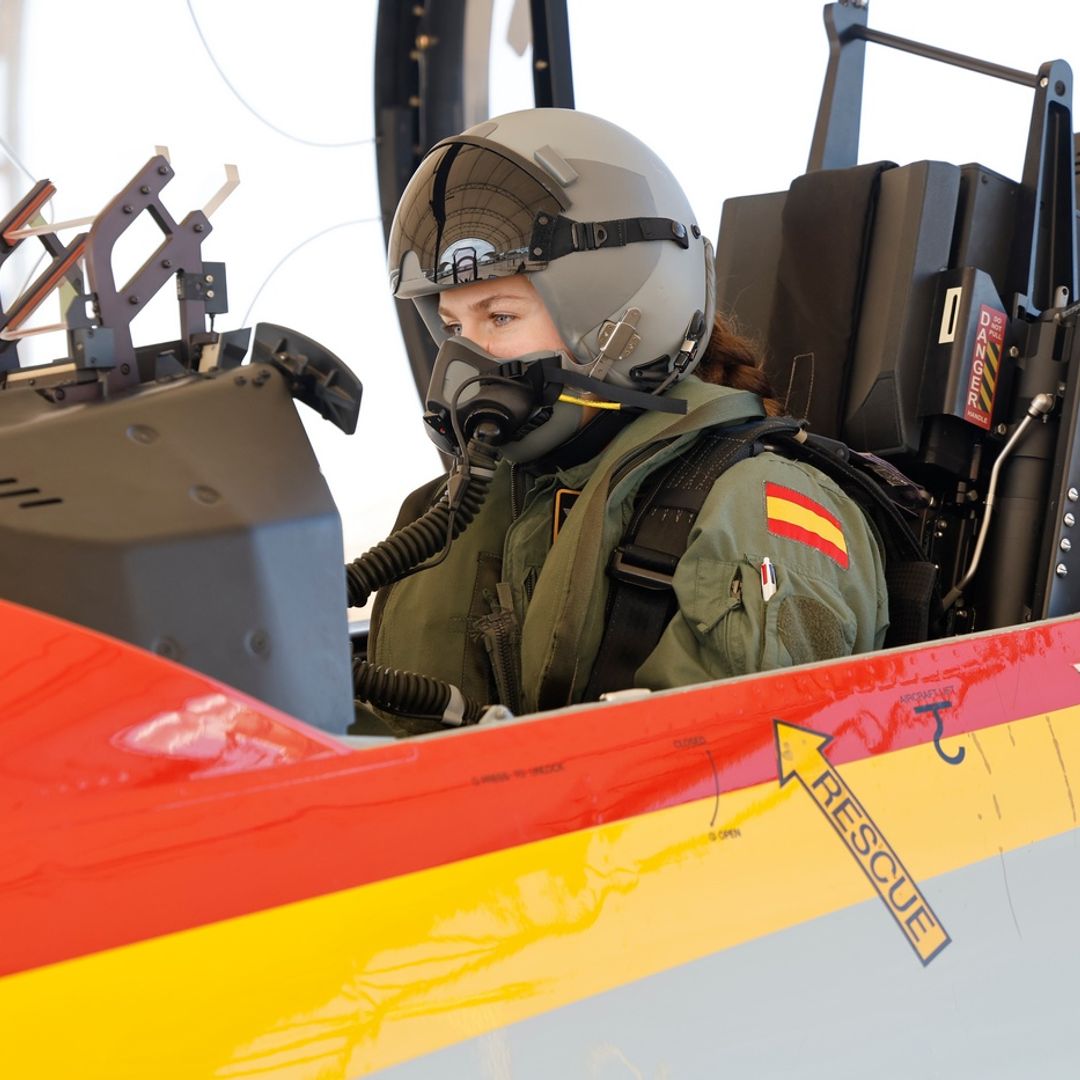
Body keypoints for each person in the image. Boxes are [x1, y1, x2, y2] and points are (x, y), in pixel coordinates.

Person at [364, 108, 888, 735]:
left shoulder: (759, 514)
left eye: (499, 318)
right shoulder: (452, 512)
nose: (463, 359)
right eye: (452, 327)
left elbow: (737, 791)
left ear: (624, 319)